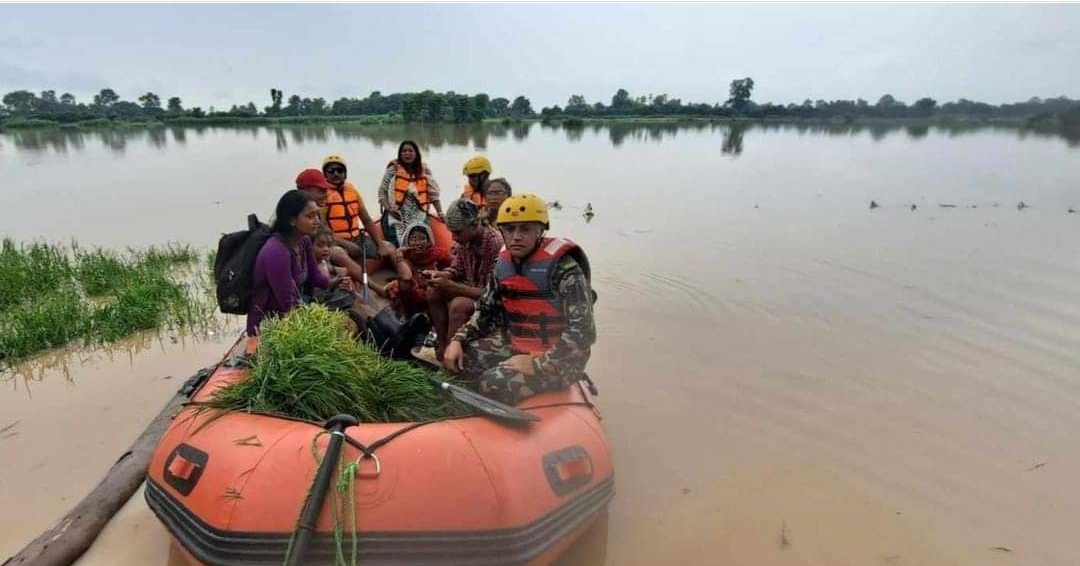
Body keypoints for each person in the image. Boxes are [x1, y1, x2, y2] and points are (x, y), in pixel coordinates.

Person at [443, 194, 597, 405]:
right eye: (509, 229)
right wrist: (458, 340)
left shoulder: (565, 269)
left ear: (540, 231)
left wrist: (539, 364)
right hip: (517, 342)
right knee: (461, 360)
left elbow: (583, 332)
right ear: (502, 230)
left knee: (492, 384)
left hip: (560, 357)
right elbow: (487, 311)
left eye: (525, 229)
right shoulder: (502, 264)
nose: (516, 236)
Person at [425, 199, 503, 360]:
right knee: (433, 291)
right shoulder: (465, 242)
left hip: (492, 301)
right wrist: (440, 275)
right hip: (471, 289)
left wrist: (452, 286)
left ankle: (450, 355)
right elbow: (456, 270)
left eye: (457, 233)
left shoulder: (494, 244)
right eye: (451, 232)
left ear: (474, 225)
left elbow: (489, 293)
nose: (453, 238)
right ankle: (442, 346)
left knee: (459, 305)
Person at [246, 190, 332, 336]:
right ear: (292, 220)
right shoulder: (276, 252)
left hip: (294, 311)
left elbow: (315, 277)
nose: (317, 221)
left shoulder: (303, 241)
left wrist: (339, 281)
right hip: (271, 326)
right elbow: (287, 304)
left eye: (318, 215)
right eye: (310, 216)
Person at [369, 222, 452, 320]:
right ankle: (405, 315)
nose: (418, 243)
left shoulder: (439, 254)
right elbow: (406, 277)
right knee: (397, 287)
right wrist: (399, 255)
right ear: (408, 242)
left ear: (429, 241)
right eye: (414, 239)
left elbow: (453, 269)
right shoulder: (406, 256)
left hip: (433, 288)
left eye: (422, 238)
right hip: (412, 290)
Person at [321, 154, 385, 263]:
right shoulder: (322, 196)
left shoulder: (352, 191)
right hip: (336, 242)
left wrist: (380, 244)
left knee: (389, 248)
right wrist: (347, 244)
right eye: (331, 171)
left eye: (339, 170)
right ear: (325, 175)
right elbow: (323, 229)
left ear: (345, 174)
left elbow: (366, 220)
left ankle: (407, 277)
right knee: (340, 255)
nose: (336, 174)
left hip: (358, 239)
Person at [378, 140, 443, 247]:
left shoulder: (424, 171)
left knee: (424, 244)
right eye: (404, 151)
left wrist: (440, 213)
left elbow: (433, 195)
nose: (407, 154)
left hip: (419, 214)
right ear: (400, 154)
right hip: (396, 214)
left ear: (416, 153)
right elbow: (382, 193)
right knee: (398, 245)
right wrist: (389, 208)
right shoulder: (392, 170)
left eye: (410, 151)